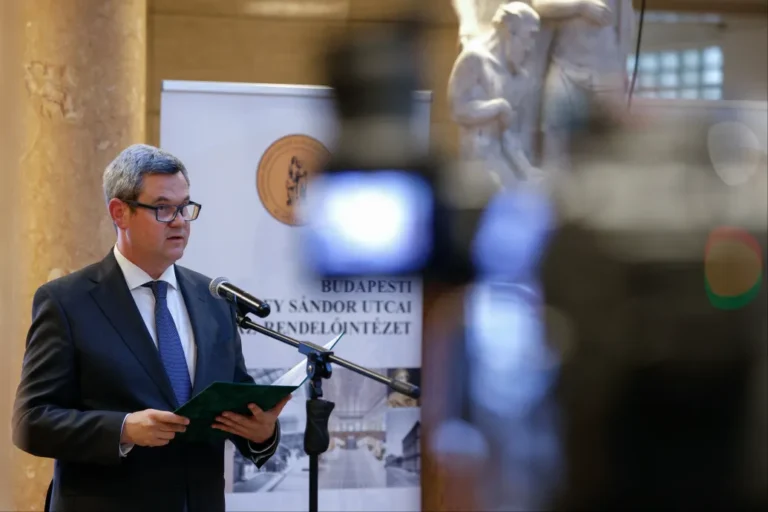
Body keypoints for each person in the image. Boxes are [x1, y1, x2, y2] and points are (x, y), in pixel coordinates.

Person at [12, 144, 290, 512]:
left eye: (185, 207)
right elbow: (31, 422)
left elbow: (235, 404)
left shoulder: (214, 299)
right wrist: (123, 429)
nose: (179, 221)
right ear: (120, 212)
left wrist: (262, 433)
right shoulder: (67, 302)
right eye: (163, 208)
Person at [447, 1, 544, 187]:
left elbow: (510, 136)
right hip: (479, 156)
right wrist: (497, 107)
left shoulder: (517, 74)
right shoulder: (474, 58)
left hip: (503, 154)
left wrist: (526, 170)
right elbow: (457, 109)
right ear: (509, 32)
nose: (530, 46)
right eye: (529, 36)